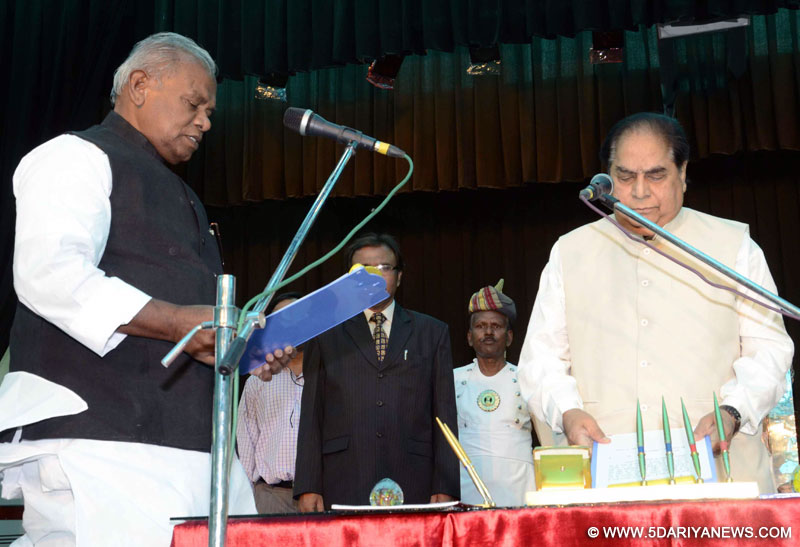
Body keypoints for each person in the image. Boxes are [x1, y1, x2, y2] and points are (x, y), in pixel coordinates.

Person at [0, 32, 293, 546]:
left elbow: (187, 325)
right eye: (193, 102)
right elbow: (50, 274)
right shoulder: (75, 155)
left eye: (209, 111)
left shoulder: (183, 194)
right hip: (101, 441)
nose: (205, 120)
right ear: (140, 85)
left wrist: (238, 349)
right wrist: (183, 322)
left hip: (192, 447)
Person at [518, 112, 794, 493]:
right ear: (607, 178)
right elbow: (541, 359)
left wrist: (733, 411)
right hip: (605, 476)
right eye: (626, 176)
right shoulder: (571, 252)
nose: (640, 192)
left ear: (683, 173)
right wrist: (567, 412)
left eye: (656, 175)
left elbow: (771, 351)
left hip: (719, 478)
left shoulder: (732, 247)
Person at [294, 233, 460, 510]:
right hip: (343, 476)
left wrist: (444, 484)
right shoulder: (325, 334)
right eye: (363, 270)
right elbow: (312, 413)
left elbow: (444, 414)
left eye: (384, 268)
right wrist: (309, 484)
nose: (374, 277)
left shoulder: (432, 333)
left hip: (414, 477)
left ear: (399, 276)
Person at [454, 280, 535, 506]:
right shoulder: (451, 380)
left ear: (509, 337)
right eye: (480, 326)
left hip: (519, 491)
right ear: (469, 337)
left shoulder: (528, 378)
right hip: (466, 489)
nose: (488, 332)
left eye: (496, 326)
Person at [237, 292, 305, 514]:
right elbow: (246, 447)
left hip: (318, 498)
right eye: (280, 319)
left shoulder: (331, 373)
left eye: (296, 316)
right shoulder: (258, 380)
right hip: (269, 498)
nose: (289, 324)